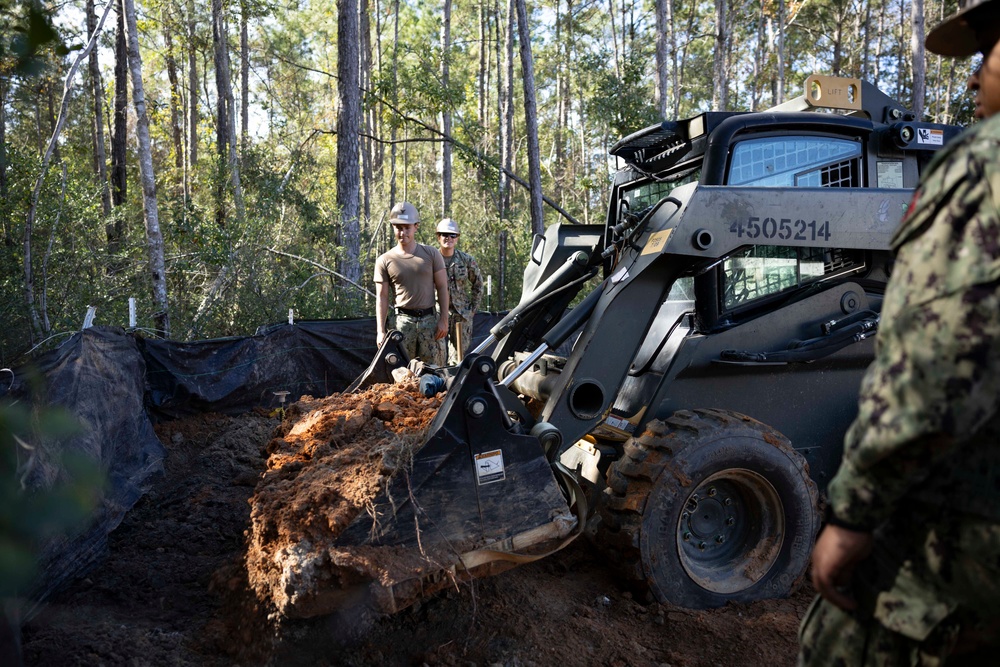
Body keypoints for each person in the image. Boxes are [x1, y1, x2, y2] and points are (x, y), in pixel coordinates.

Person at [799, 3, 1000, 665]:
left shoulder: (982, 166)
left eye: (988, 52)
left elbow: (939, 360)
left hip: (960, 536)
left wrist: (854, 510)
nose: (973, 81)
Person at [374, 202, 449, 366]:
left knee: (435, 372)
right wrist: (380, 331)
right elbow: (382, 297)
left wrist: (444, 319)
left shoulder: (431, 254)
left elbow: (443, 287)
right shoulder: (385, 260)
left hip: (430, 323)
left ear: (416, 227)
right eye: (398, 227)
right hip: (402, 323)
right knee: (403, 373)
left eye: (407, 227)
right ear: (393, 228)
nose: (403, 233)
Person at [436, 218, 483, 364]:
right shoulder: (432, 259)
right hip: (438, 314)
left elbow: (478, 285)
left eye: (452, 235)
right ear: (438, 236)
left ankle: (456, 384)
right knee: (437, 355)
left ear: (457, 238)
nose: (448, 238)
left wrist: (472, 310)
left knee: (460, 357)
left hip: (462, 315)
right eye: (444, 234)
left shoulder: (466, 260)